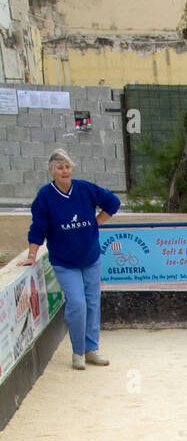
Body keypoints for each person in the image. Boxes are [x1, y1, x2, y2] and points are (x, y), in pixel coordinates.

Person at [22, 149, 120, 369]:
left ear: (71, 168)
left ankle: (92, 349)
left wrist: (98, 222)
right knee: (77, 303)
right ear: (52, 171)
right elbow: (38, 228)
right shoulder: (45, 196)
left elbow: (112, 202)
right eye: (59, 167)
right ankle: (77, 352)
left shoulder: (85, 188)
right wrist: (31, 255)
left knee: (93, 303)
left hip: (90, 257)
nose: (64, 171)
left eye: (67, 166)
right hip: (64, 261)